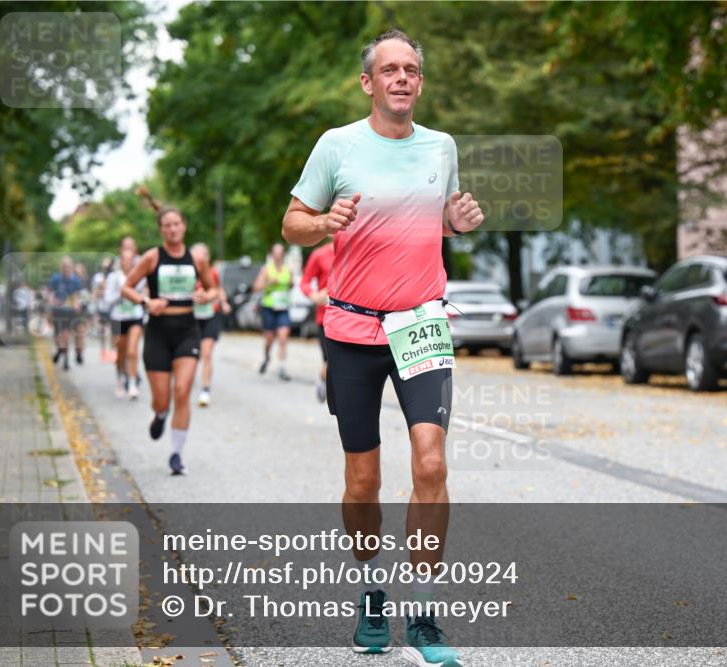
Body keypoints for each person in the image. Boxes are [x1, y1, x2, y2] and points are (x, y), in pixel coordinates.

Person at [282, 29, 483, 666]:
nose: (402, 78)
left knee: (431, 465)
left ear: (420, 82)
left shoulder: (441, 147)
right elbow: (292, 224)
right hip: (351, 328)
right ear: (369, 82)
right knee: (363, 479)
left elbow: (441, 214)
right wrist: (323, 222)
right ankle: (371, 590)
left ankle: (423, 613)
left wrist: (460, 219)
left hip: (421, 323)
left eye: (412, 70)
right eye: (389, 70)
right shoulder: (336, 146)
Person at [122, 204, 216, 476]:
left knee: (183, 391)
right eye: (167, 225)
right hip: (158, 333)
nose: (172, 229)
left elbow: (212, 289)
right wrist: (146, 301)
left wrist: (205, 297)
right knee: (162, 400)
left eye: (177, 224)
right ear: (161, 230)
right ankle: (160, 414)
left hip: (187, 329)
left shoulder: (197, 258)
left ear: (184, 226)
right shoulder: (152, 257)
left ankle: (176, 455)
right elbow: (126, 287)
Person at [191, 243, 231, 407]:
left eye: (203, 256)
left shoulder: (212, 273)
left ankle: (205, 390)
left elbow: (218, 289)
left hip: (211, 315)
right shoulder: (187, 274)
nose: (199, 260)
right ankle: (187, 379)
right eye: (196, 257)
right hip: (192, 318)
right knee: (194, 354)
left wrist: (223, 302)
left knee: (206, 353)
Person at [105, 249, 146, 399]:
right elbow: (107, 299)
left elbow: (144, 295)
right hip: (118, 318)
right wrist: (120, 294)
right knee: (121, 353)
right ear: (120, 261)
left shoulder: (139, 277)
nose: (128, 262)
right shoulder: (113, 278)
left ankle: (133, 383)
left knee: (132, 350)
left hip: (135, 316)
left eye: (131, 259)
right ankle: (120, 378)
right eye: (125, 259)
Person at [252, 243, 293, 381]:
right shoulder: (266, 269)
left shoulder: (288, 269)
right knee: (269, 338)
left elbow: (291, 284)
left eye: (281, 252)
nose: (278, 255)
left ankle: (282, 367)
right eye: (276, 252)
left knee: (283, 337)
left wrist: (290, 284)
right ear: (272, 254)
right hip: (268, 307)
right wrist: (268, 283)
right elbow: (256, 287)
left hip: (283, 307)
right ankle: (266, 357)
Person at [301, 239, 335, 402]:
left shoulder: (357, 251)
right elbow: (305, 282)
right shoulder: (319, 255)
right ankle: (323, 379)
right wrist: (314, 296)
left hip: (352, 318)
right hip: (325, 317)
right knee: (331, 360)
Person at [47, 256, 87, 370]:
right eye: (64, 266)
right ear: (61, 267)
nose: (66, 269)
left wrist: (76, 304)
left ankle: (67, 359)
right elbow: (50, 293)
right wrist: (52, 302)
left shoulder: (75, 280)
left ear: (71, 267)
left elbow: (77, 296)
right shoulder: (55, 278)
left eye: (68, 266)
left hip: (69, 311)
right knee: (57, 336)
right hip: (57, 311)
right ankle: (60, 350)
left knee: (67, 335)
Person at [91, 256, 116, 363]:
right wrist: (100, 288)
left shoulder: (115, 277)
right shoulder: (97, 277)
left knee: (113, 331)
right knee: (102, 331)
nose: (106, 267)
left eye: (108, 264)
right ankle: (103, 352)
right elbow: (94, 293)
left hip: (113, 308)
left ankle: (112, 352)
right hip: (101, 307)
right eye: (104, 264)